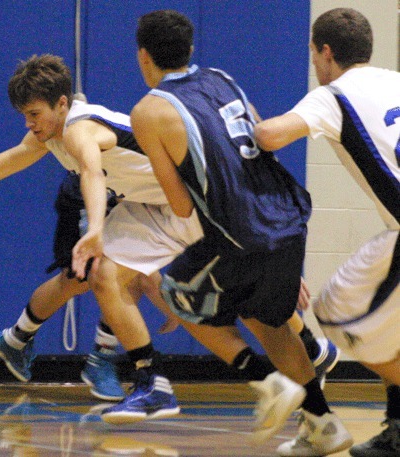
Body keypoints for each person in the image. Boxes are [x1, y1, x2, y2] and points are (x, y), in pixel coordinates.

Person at [0, 53, 337, 420]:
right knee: (107, 277)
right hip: (155, 205)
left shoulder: (79, 128)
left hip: (189, 201)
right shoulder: (48, 135)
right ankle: (155, 382)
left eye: (34, 114)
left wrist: (96, 228)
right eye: (24, 116)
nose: (29, 124)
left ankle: (304, 356)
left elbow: (90, 170)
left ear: (61, 103)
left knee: (238, 305)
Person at [128, 9, 353, 454]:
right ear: (190, 50)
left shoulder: (148, 111)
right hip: (286, 219)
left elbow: (179, 204)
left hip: (238, 233)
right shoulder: (222, 78)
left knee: (168, 290)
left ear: (143, 56)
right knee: (267, 321)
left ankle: (265, 382)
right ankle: (324, 423)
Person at [254, 8, 399, 457]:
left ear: (326, 52)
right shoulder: (395, 80)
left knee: (336, 312)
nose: (315, 65)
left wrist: (245, 122)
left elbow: (270, 136)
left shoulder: (332, 96)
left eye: (314, 55)